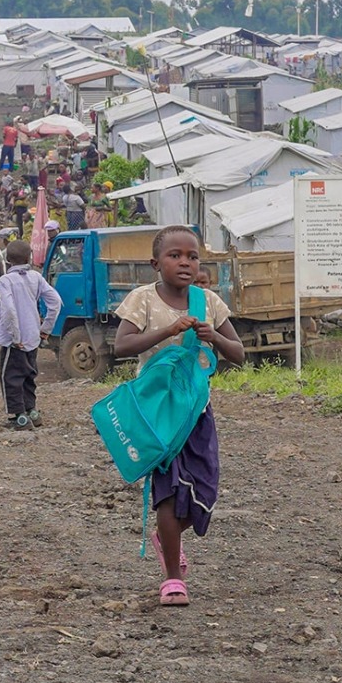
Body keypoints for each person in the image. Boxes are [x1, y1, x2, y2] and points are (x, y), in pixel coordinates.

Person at [111, 226, 246, 606]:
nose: (185, 262)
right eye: (175, 255)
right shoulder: (142, 300)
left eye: (192, 256)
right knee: (168, 496)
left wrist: (213, 337)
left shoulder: (208, 301)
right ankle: (173, 578)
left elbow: (238, 354)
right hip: (157, 416)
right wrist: (168, 330)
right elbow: (122, 346)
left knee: (205, 489)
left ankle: (167, 537)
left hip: (197, 413)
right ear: (156, 263)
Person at [0, 240, 62, 430]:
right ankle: (32, 411)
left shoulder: (5, 281)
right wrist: (46, 330)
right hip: (34, 335)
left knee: (10, 376)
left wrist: (15, 337)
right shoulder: (36, 277)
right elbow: (55, 302)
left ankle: (19, 417)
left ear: (7, 260)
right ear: (30, 257)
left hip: (15, 340)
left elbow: (9, 310)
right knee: (29, 374)